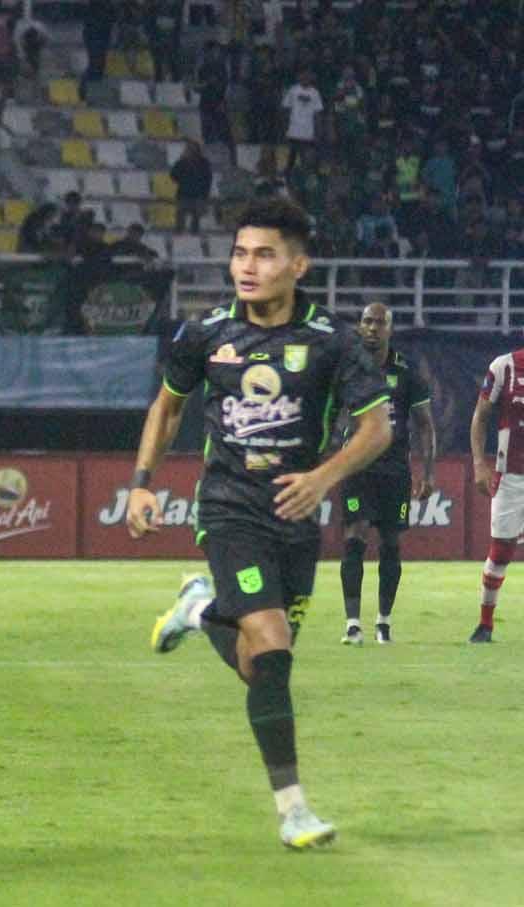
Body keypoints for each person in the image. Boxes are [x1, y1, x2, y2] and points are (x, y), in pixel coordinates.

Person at [126, 199, 391, 850]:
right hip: (228, 507)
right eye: (240, 252)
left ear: (297, 265)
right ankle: (294, 809)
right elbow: (166, 409)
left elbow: (377, 429)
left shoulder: (333, 341)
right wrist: (141, 485)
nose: (247, 265)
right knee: (272, 647)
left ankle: (198, 610)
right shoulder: (206, 334)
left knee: (259, 665)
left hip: (297, 515)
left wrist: (323, 477)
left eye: (264, 253)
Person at [337, 303, 435, 645]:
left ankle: (383, 622)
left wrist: (428, 471)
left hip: (395, 470)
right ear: (359, 326)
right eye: (367, 321)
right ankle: (352, 624)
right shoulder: (347, 367)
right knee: (354, 538)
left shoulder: (407, 372)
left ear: (390, 329)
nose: (373, 327)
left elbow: (424, 425)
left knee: (391, 543)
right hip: (357, 466)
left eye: (380, 322)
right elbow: (329, 411)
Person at [468, 344, 524, 643]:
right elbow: (480, 416)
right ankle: (485, 624)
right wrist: (479, 463)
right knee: (501, 551)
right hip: (511, 477)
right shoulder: (504, 366)